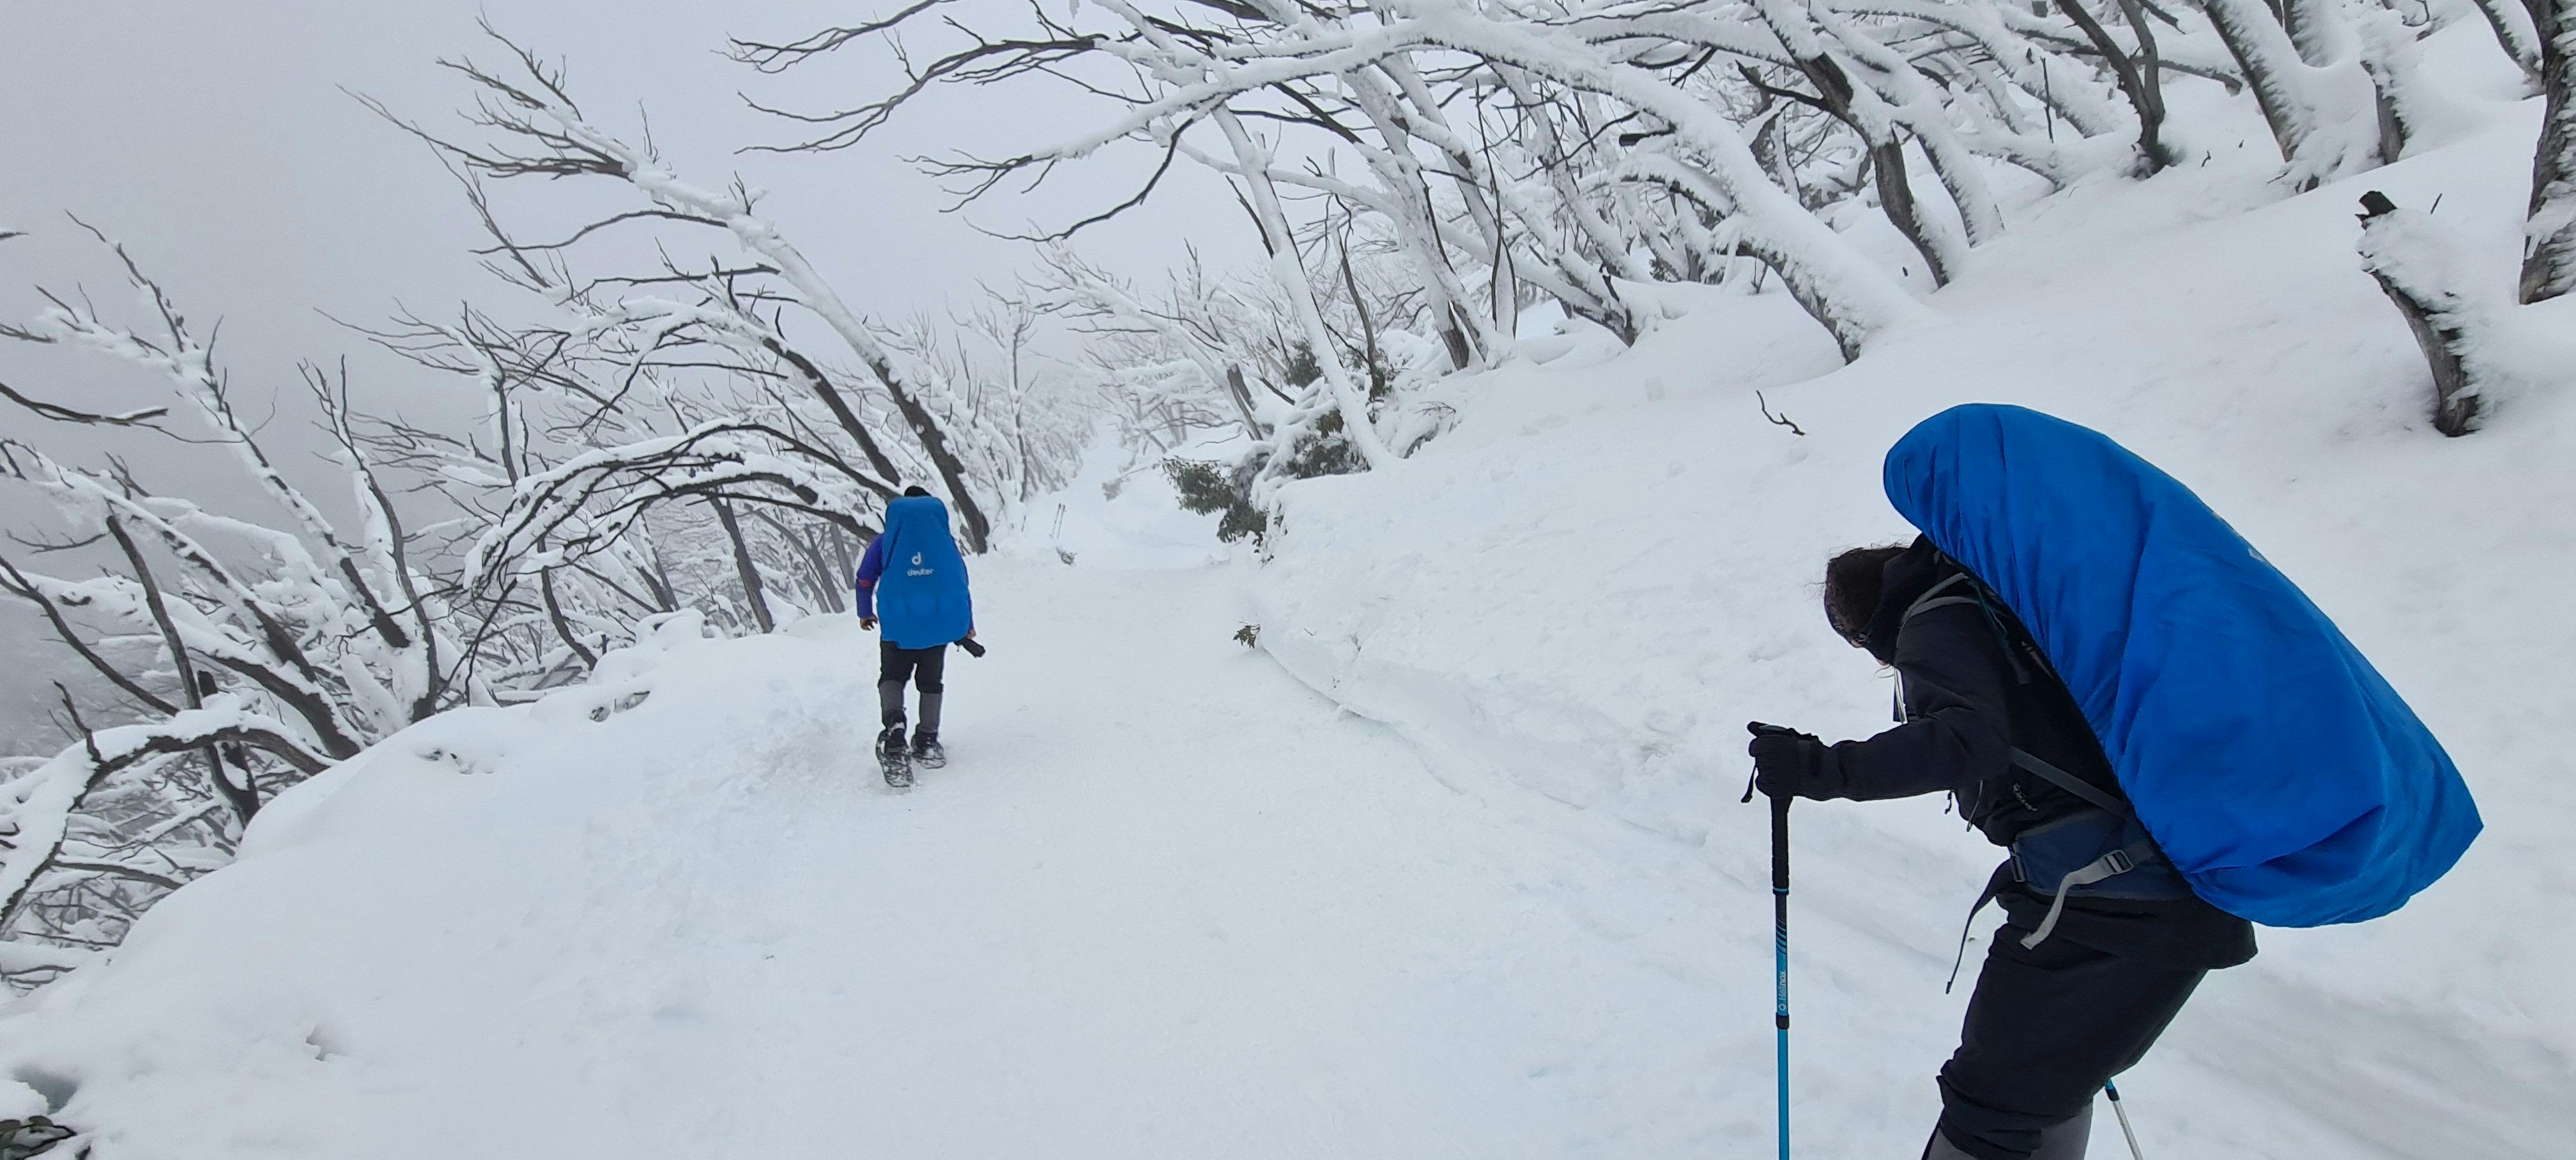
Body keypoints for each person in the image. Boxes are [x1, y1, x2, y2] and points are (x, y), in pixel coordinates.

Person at [1747, 537, 2257, 1160]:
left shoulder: (1935, 623)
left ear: (1866, 624)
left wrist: (1821, 768)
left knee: (1992, 1105)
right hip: (2141, 891)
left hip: (2116, 906)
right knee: (2040, 1093)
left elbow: (1969, 742)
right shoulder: (1990, 612)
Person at [856, 486, 974, 774]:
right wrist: (965, 625)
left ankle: (895, 730)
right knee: (931, 681)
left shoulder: (886, 542)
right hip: (937, 626)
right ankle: (927, 740)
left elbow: (865, 580)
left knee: (893, 676)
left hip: (898, 626)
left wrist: (864, 612)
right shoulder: (942, 543)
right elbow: (959, 584)